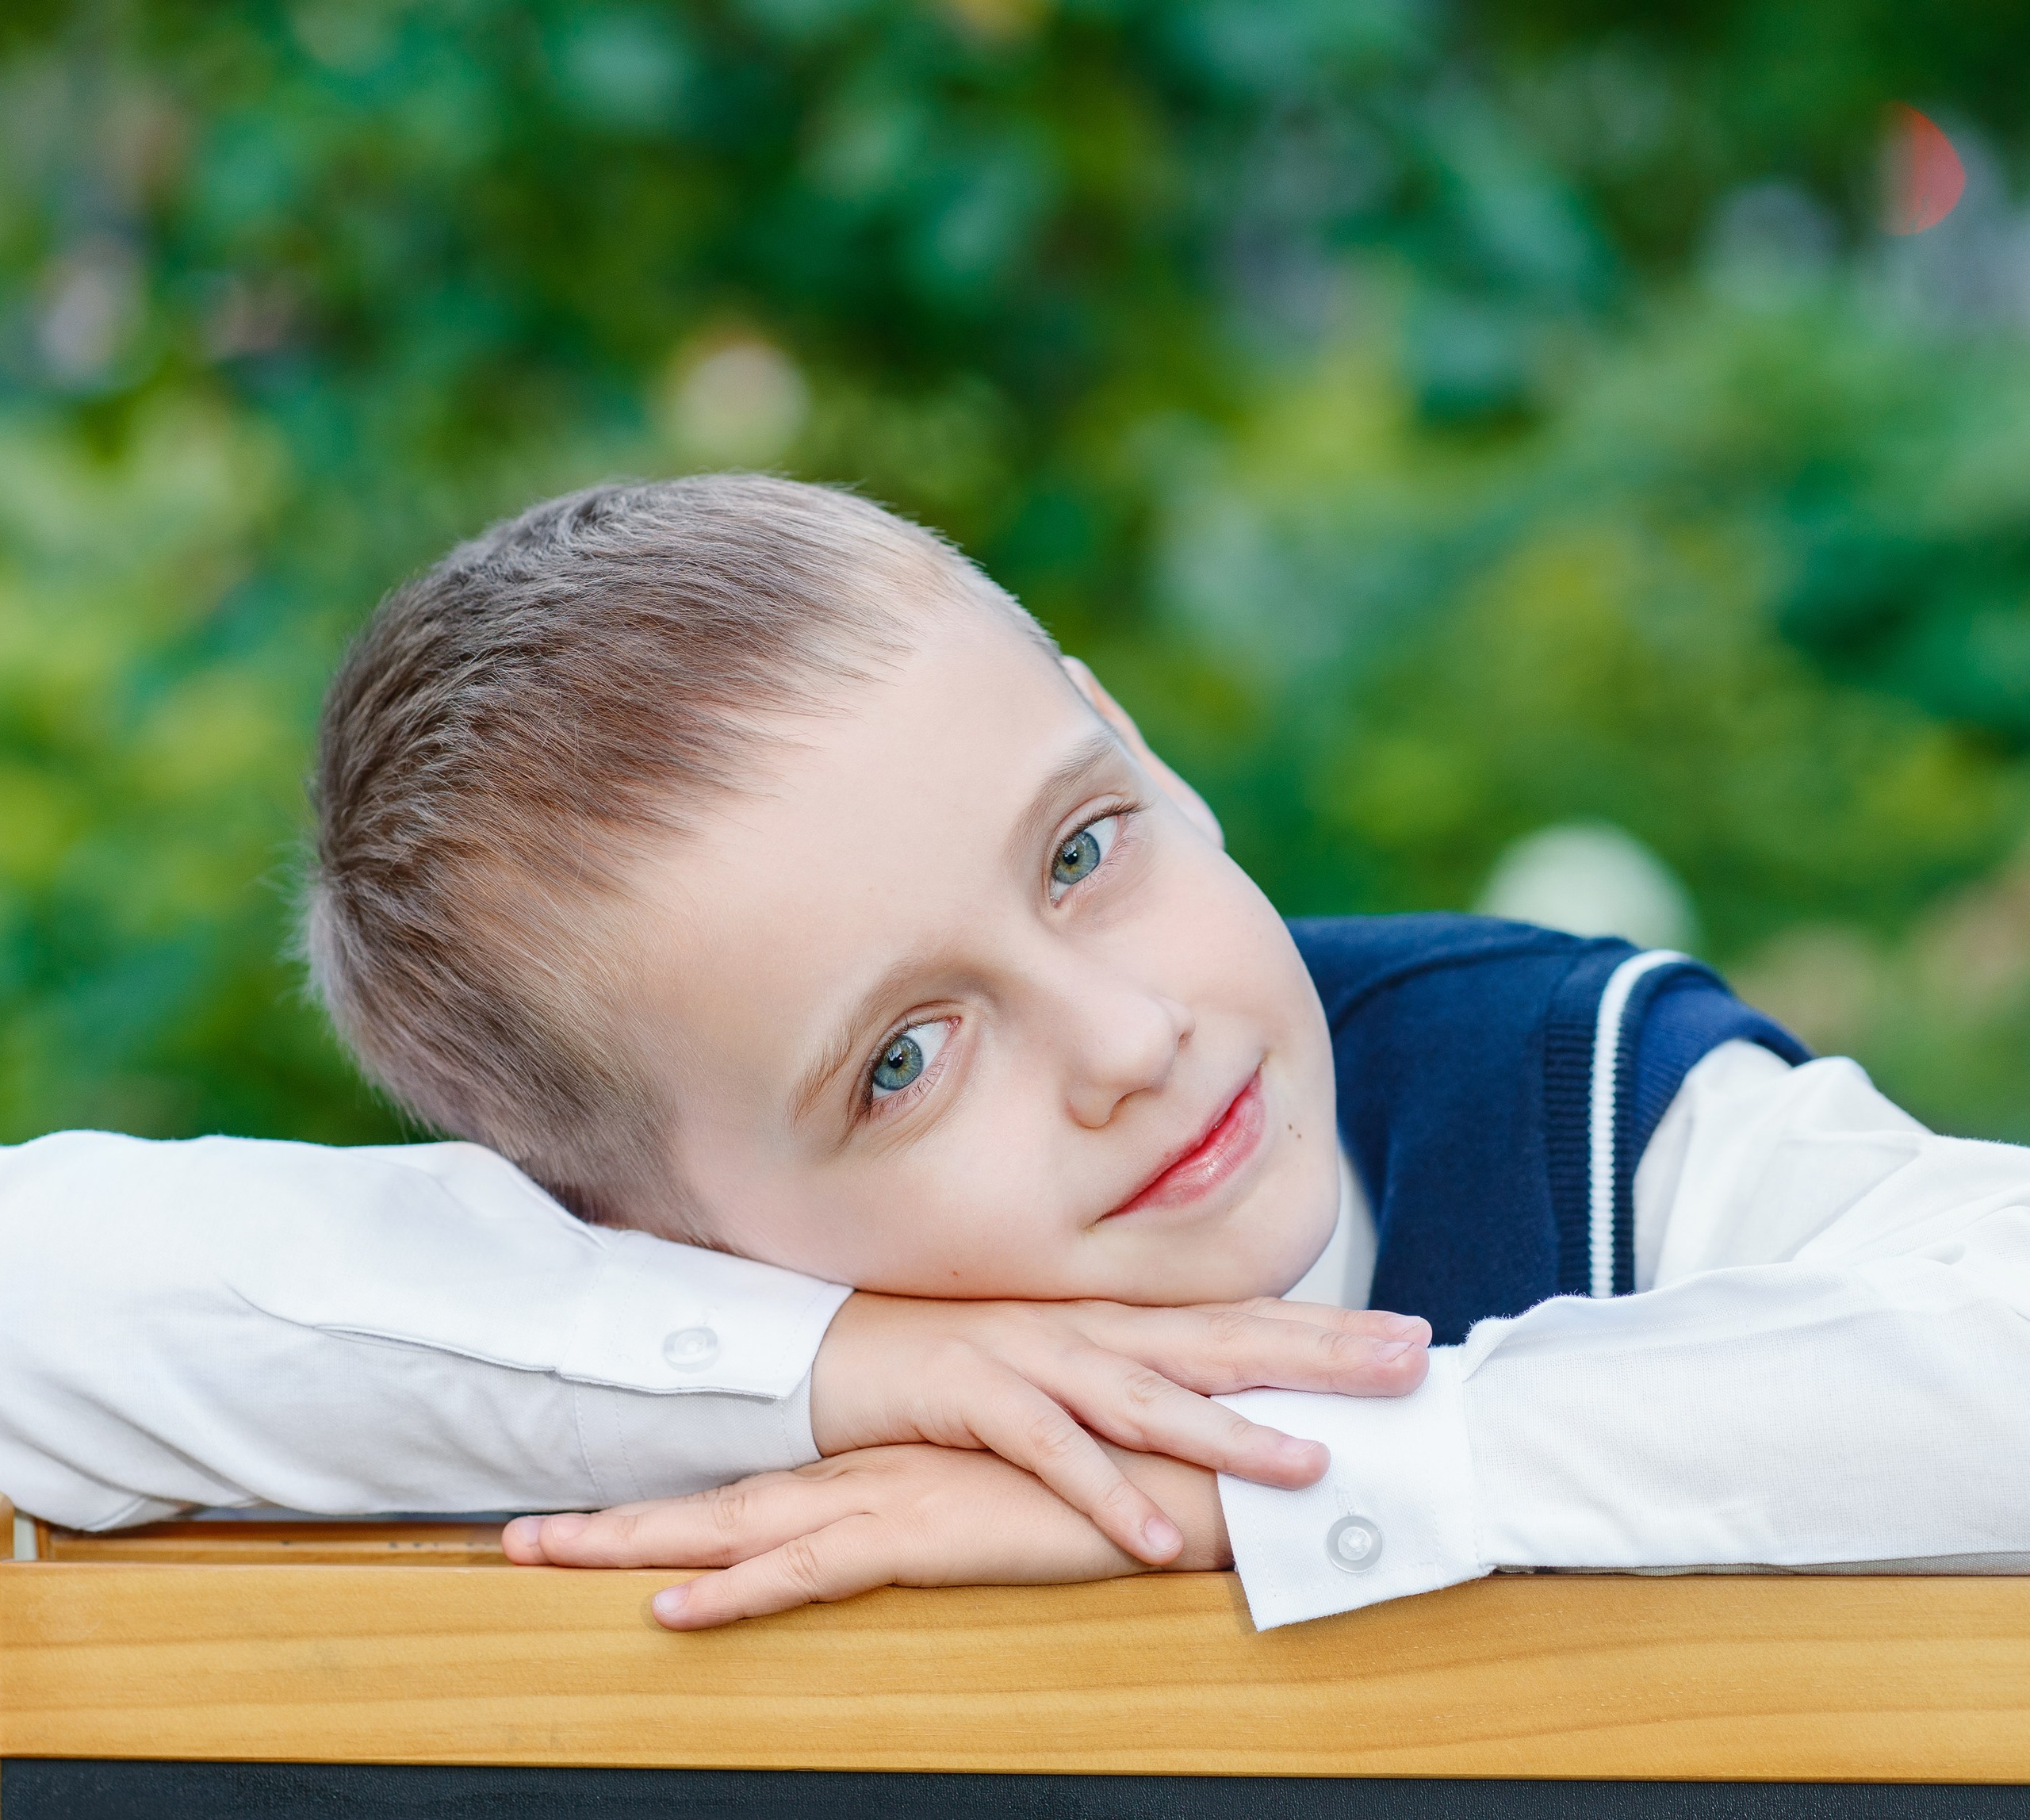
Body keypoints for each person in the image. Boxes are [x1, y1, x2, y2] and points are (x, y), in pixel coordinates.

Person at [11, 477, 2030, 1633]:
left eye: (1081, 849)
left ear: (1126, 727)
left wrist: (1302, 1472)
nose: (1129, 1039)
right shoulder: (699, 1371)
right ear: (660, 1239)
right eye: (899, 1059)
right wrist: (835, 1371)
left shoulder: (1559, 1088)